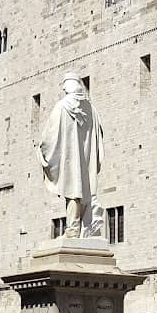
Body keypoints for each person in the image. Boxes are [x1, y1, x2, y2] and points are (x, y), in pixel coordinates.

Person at [37, 73, 104, 238]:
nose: (63, 88)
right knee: (83, 191)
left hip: (71, 159)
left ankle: (73, 229)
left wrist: (41, 150)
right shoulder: (92, 109)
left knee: (73, 190)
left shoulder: (62, 106)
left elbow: (50, 136)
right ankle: (82, 227)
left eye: (64, 86)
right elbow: (99, 135)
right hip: (86, 160)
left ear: (69, 86)